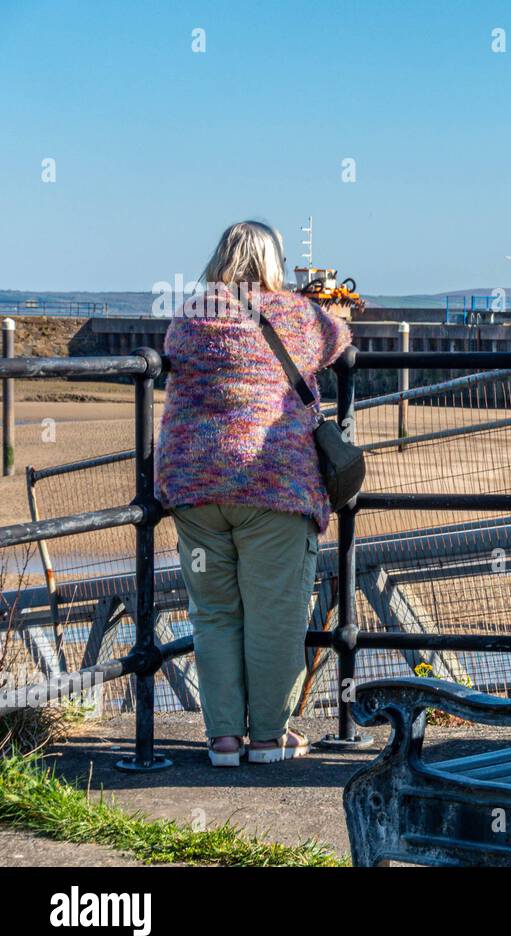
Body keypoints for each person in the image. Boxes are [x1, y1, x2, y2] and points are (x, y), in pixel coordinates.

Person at [157, 221, 351, 766]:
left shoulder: (188, 316)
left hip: (195, 484)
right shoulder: (292, 313)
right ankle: (267, 737)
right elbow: (338, 339)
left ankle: (222, 739)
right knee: (275, 613)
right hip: (274, 484)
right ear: (275, 262)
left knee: (214, 610)